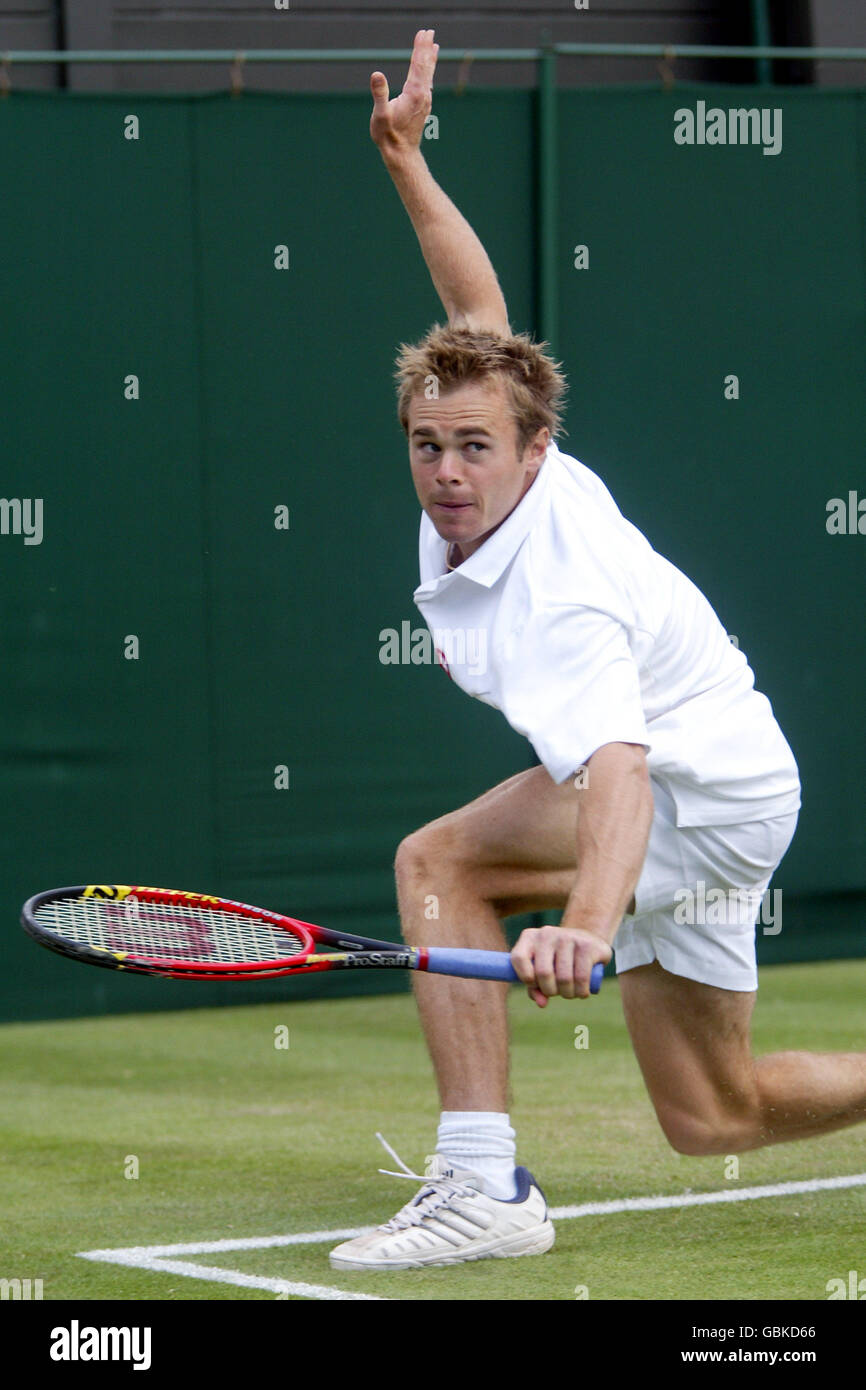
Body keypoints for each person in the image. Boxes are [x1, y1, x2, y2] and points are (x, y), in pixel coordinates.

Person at [330, 29, 863, 1273]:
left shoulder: (556, 597)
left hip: (691, 791)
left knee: (439, 862)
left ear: (530, 447)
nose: (447, 471)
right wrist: (404, 158)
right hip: (737, 776)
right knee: (711, 1115)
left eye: (473, 447)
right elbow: (476, 314)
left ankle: (481, 1186)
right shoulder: (499, 432)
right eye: (427, 445)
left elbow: (615, 769)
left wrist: (581, 919)